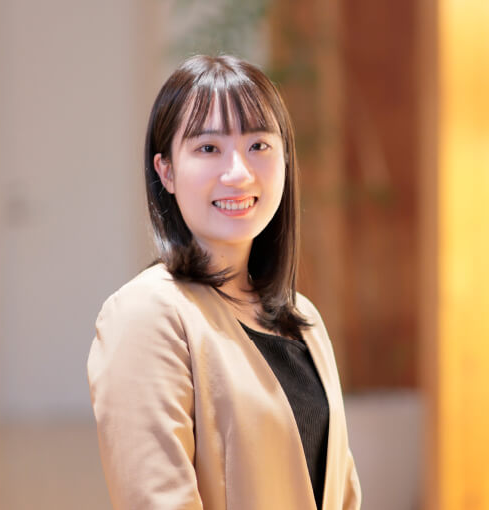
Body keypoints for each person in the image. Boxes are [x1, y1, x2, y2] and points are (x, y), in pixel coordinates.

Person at [87, 54, 362, 510]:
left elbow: (342, 490)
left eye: (259, 145)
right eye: (209, 148)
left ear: (285, 159)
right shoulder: (146, 315)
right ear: (166, 171)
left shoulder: (303, 318)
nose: (238, 173)